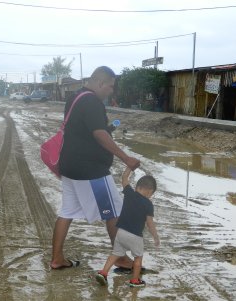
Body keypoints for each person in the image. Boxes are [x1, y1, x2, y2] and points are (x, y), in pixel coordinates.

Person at [50, 66, 140, 270]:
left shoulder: (76, 97)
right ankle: (122, 258)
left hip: (70, 166)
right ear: (100, 83)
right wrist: (126, 158)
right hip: (90, 169)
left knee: (67, 211)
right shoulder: (92, 101)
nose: (111, 91)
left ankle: (57, 258)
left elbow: (87, 129)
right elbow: (99, 133)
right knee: (115, 211)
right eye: (110, 87)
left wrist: (108, 129)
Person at [96, 167, 159, 287]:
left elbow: (124, 178)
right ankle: (135, 280)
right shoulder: (148, 204)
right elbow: (150, 223)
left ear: (137, 187)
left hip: (121, 232)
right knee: (138, 258)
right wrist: (155, 236)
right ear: (150, 191)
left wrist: (130, 167)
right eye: (151, 194)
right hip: (135, 236)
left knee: (115, 254)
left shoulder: (130, 193)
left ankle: (103, 272)